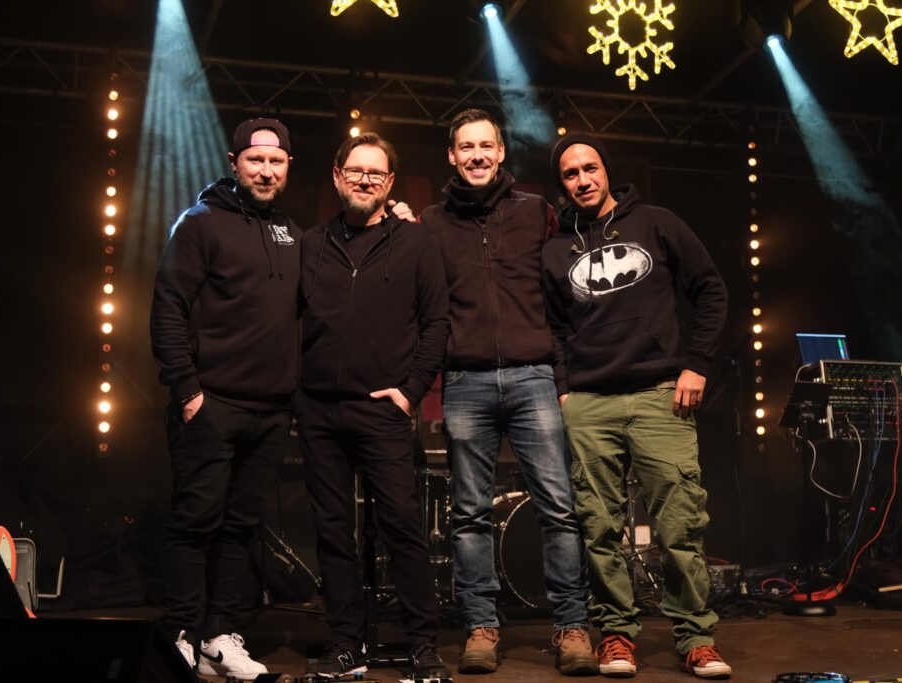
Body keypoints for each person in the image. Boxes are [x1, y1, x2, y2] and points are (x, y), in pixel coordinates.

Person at [541, 132, 731, 679]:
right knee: (598, 528)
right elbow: (552, 328)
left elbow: (710, 289)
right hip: (589, 403)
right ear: (562, 185)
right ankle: (616, 636)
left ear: (606, 170)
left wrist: (697, 363)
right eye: (571, 174)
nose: (583, 180)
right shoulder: (554, 249)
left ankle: (696, 638)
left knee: (679, 524)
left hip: (658, 396)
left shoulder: (656, 222)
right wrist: (564, 390)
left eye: (590, 168)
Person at [420, 109, 597, 676]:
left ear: (500, 153)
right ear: (452, 156)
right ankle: (481, 626)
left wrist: (565, 377)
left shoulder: (536, 212)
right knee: (469, 513)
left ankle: (572, 626)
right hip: (465, 382)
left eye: (485, 146)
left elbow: (567, 289)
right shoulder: (430, 223)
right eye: (465, 147)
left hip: (533, 377)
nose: (476, 155)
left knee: (558, 508)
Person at [295, 133, 452, 680]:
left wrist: (411, 391)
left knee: (402, 526)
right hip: (318, 411)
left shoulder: (416, 242)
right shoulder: (310, 244)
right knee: (333, 530)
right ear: (337, 176)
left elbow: (437, 323)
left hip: (383, 408)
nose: (365, 180)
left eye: (376, 173)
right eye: (355, 171)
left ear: (389, 183)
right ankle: (346, 644)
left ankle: (421, 644)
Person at [150, 118, 299, 680]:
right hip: (211, 404)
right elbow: (168, 306)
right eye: (256, 160)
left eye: (276, 161)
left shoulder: (291, 232)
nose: (266, 170)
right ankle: (181, 634)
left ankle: (218, 638)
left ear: (287, 167)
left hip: (271, 410)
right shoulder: (200, 222)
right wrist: (187, 390)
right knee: (195, 523)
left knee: (242, 527)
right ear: (235, 162)